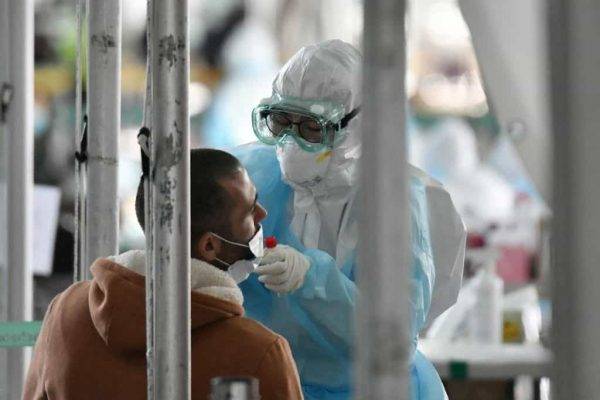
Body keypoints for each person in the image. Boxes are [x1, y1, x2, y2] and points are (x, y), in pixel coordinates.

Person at [232, 40, 466, 399]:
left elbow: (393, 335)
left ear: (358, 124)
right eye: (280, 121)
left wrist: (312, 278)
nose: (291, 141)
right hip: (274, 385)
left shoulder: (393, 202)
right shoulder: (256, 179)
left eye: (312, 127)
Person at [23, 149, 303, 400]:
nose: (263, 214)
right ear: (209, 246)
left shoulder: (65, 310)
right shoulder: (258, 354)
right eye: (250, 211)